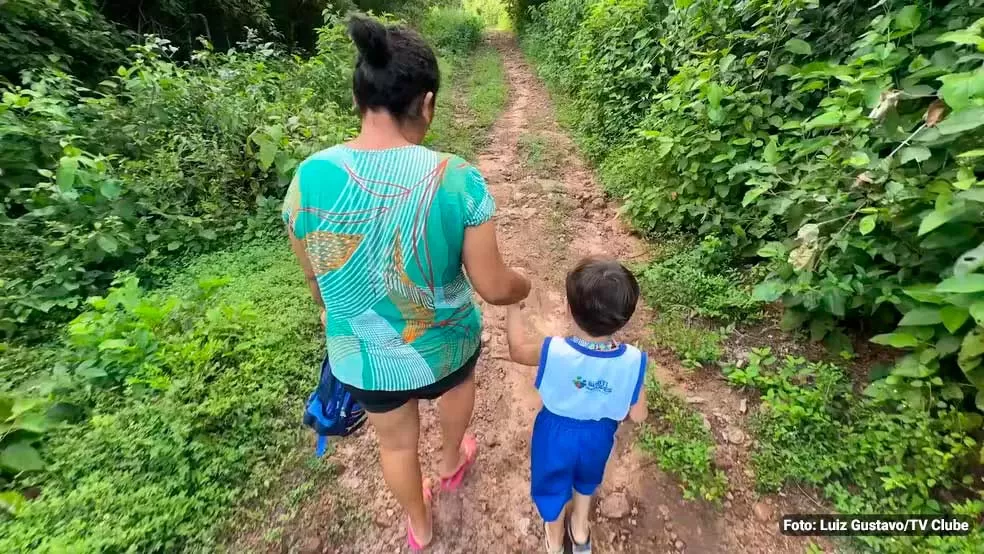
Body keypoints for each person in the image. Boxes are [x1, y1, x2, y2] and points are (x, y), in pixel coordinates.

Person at [282, 15, 530, 551]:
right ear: (428, 102)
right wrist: (523, 288)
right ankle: (450, 462)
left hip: (363, 354)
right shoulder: (455, 176)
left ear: (359, 99)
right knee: (457, 390)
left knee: (394, 447)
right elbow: (492, 285)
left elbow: (314, 275)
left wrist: (331, 313)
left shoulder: (310, 176)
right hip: (443, 344)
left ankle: (419, 527)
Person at [506, 257, 648, 554]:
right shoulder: (634, 361)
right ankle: (580, 529)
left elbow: (517, 350)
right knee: (586, 478)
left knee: (551, 484)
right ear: (625, 318)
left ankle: (555, 539)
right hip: (598, 436)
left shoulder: (554, 351)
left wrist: (512, 304)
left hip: (554, 434)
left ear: (569, 311)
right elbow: (639, 414)